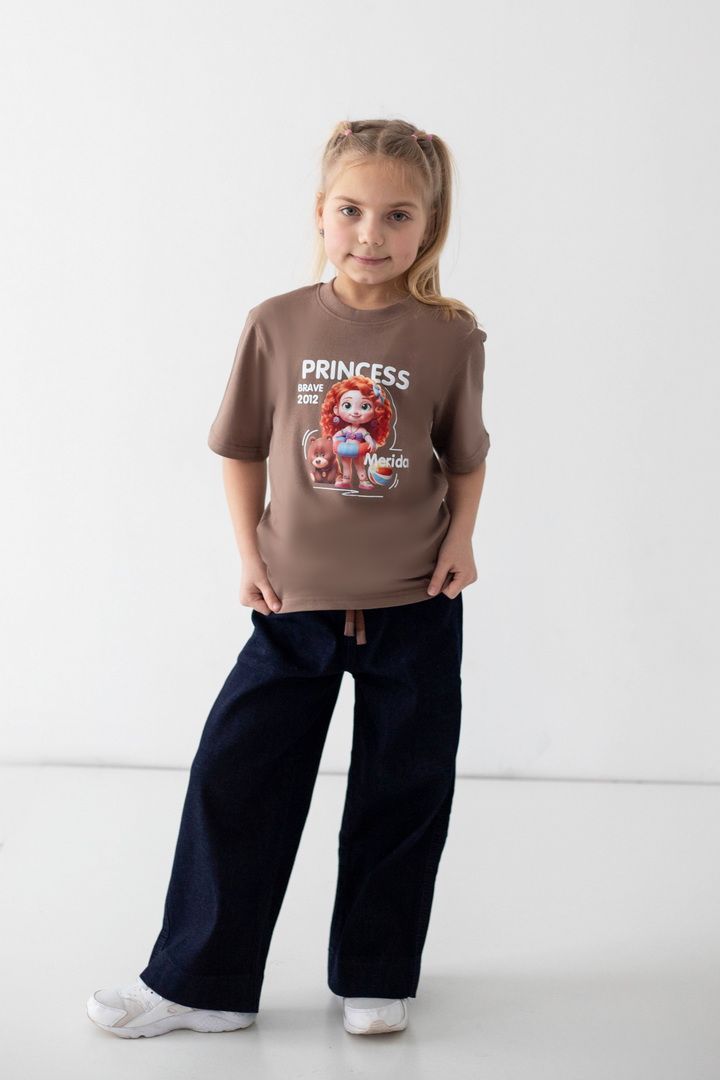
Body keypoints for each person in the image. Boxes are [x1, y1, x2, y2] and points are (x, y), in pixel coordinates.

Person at [87, 116, 490, 1040]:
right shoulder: (275, 324)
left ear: (428, 227)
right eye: (351, 210)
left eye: (398, 216)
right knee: (237, 776)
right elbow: (239, 448)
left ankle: (376, 975)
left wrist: (463, 541)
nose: (370, 234)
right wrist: (248, 553)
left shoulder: (450, 337)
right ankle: (203, 982)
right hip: (294, 603)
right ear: (319, 211)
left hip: (417, 605)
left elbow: (465, 457)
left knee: (403, 789)